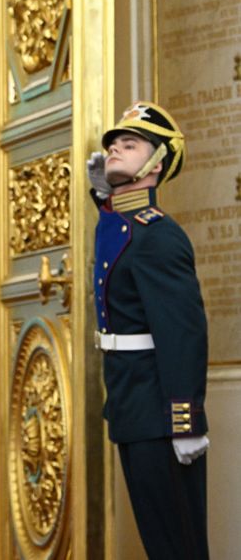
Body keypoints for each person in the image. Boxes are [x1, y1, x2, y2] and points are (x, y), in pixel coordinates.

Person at [87, 101, 209, 559]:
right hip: (132, 408)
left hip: (160, 414)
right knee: (161, 545)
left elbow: (183, 335)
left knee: (179, 548)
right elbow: (114, 229)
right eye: (113, 144)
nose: (115, 149)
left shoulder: (159, 235)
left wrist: (185, 420)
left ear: (157, 163)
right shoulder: (125, 225)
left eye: (130, 144)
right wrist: (101, 194)